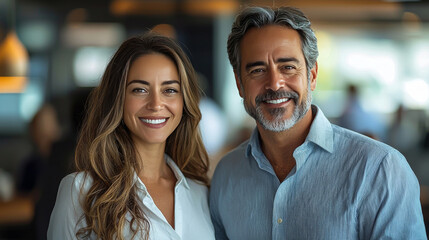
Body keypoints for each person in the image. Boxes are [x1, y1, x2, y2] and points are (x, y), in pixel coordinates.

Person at [209, 6, 427, 240]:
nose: (274, 83)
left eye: (288, 67)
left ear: (312, 76)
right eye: (258, 70)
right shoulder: (226, 175)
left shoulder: (380, 169)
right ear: (240, 84)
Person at [48, 33, 215, 240]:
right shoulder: (81, 191)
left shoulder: (202, 192)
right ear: (117, 99)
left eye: (170, 90)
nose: (155, 104)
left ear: (184, 102)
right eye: (140, 89)